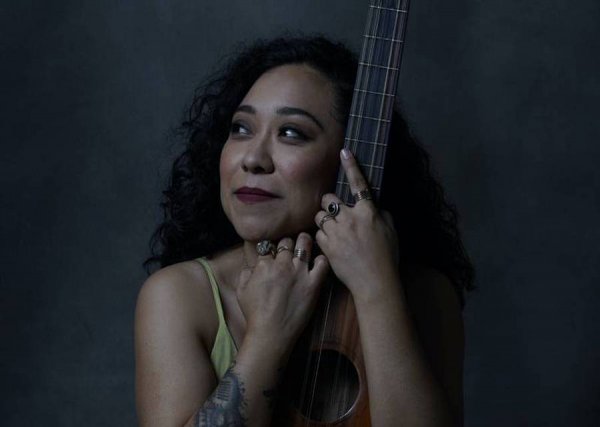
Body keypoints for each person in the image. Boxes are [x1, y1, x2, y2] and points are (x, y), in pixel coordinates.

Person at [135, 36, 475, 427]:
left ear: (352, 160)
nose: (253, 159)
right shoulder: (179, 295)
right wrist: (267, 337)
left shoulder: (425, 294)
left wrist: (377, 289)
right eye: (241, 128)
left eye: (291, 133)